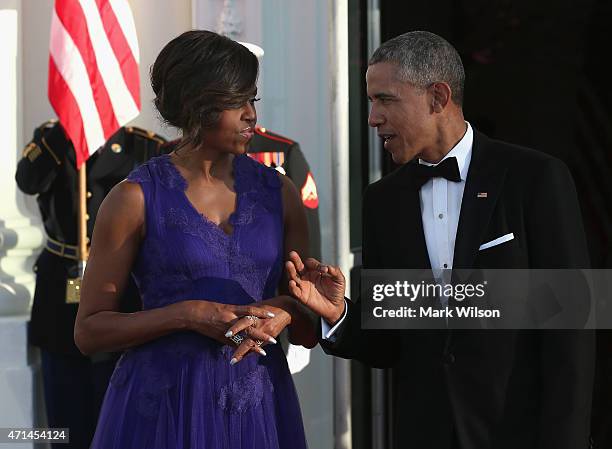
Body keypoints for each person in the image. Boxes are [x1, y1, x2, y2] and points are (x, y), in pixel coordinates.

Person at [286, 31, 595, 449]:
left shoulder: (535, 179)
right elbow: (390, 344)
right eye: (370, 102)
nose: (373, 117)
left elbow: (571, 332)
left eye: (385, 99)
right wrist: (339, 313)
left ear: (437, 97)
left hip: (517, 433)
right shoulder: (382, 202)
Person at [75, 30, 315, 449]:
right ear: (197, 103)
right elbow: (90, 331)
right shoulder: (133, 198)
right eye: (236, 101)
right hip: (162, 410)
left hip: (257, 406)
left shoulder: (281, 194)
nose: (250, 115)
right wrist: (186, 314)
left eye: (252, 99)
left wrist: (288, 312)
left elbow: (310, 325)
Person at [15, 120, 167, 449]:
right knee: (65, 425)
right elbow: (28, 181)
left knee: (117, 420)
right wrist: (63, 129)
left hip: (120, 299)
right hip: (60, 297)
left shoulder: (142, 147)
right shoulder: (51, 140)